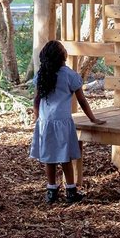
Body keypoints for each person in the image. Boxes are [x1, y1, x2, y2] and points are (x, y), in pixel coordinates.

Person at [30, 40, 106, 204]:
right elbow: (82, 101)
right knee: (65, 157)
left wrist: (36, 117)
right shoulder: (70, 75)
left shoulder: (41, 74)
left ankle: (51, 190)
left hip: (45, 122)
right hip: (63, 122)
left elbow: (36, 100)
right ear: (62, 56)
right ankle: (71, 191)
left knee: (49, 158)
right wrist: (93, 118)